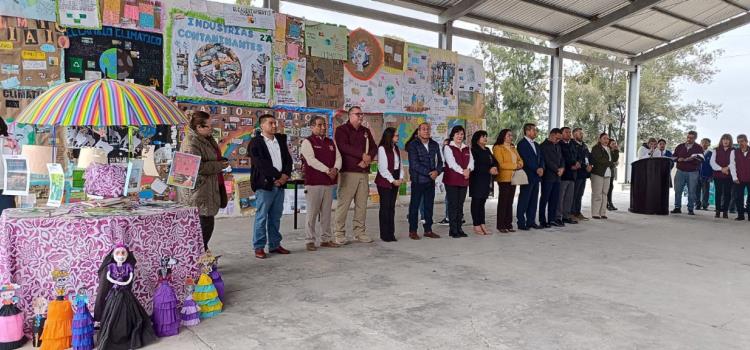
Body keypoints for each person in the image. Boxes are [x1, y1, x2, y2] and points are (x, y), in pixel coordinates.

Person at [178, 111, 228, 250]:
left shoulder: (207, 139)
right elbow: (196, 167)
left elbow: (210, 158)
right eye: (208, 126)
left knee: (206, 226)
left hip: (208, 188)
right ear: (199, 127)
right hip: (199, 191)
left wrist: (220, 161)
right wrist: (219, 165)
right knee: (204, 227)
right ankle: (199, 260)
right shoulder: (191, 143)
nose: (211, 128)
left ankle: (202, 257)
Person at [249, 114, 293, 259]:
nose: (274, 125)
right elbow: (260, 164)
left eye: (275, 123)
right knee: (261, 217)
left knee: (275, 217)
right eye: (271, 123)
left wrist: (285, 175)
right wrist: (276, 176)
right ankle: (259, 247)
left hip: (280, 184)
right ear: (262, 125)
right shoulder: (255, 142)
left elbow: (288, 159)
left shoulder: (280, 140)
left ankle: (274, 245)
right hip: (265, 184)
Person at [334, 106, 377, 244]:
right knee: (344, 204)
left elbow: (373, 147)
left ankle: (359, 232)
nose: (360, 116)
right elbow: (343, 146)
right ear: (350, 115)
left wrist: (368, 157)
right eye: (357, 114)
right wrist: (361, 155)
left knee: (361, 204)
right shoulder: (342, 130)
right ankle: (339, 233)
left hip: (363, 172)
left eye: (361, 114)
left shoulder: (365, 131)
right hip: (348, 172)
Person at [300, 116, 342, 251]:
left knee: (326, 213)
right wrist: (327, 170)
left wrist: (335, 169)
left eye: (324, 125)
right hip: (314, 183)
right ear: (312, 127)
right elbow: (311, 160)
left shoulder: (331, 142)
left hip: (329, 183)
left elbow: (339, 157)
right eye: (319, 125)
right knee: (312, 213)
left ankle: (326, 239)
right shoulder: (307, 142)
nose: (323, 127)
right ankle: (309, 240)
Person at [406, 122, 443, 240]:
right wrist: (429, 173)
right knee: (414, 206)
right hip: (418, 180)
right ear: (418, 132)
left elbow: (440, 162)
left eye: (428, 129)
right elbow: (414, 164)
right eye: (423, 129)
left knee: (428, 206)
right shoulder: (413, 145)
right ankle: (412, 231)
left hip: (430, 181)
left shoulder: (434, 144)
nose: (426, 131)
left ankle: (428, 230)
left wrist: (437, 171)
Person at [443, 126, 474, 238]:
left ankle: (459, 228)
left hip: (464, 180)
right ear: (453, 135)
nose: (460, 136)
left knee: (460, 205)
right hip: (452, 180)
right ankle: (453, 230)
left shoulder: (467, 148)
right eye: (457, 134)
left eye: (461, 134)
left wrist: (469, 170)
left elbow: (471, 162)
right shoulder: (448, 147)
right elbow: (451, 163)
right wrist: (463, 171)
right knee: (453, 205)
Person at [375, 127, 404, 242]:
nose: (398, 137)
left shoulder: (396, 148)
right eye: (396, 135)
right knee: (385, 207)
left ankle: (391, 233)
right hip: (385, 180)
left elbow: (400, 164)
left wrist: (401, 177)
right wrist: (393, 180)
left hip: (395, 178)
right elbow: (382, 168)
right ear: (390, 136)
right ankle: (385, 234)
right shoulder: (382, 149)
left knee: (391, 208)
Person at [492, 129, 523, 233]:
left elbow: (520, 159)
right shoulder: (497, 148)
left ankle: (508, 224)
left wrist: (520, 164)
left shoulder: (513, 147)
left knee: (510, 202)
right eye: (509, 135)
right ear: (503, 136)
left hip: (513, 177)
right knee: (503, 202)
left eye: (511, 135)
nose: (511, 137)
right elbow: (501, 164)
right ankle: (501, 225)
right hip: (504, 178)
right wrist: (515, 166)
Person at [516, 123, 544, 230]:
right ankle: (521, 222)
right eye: (534, 130)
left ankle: (531, 221)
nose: (536, 132)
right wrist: (536, 168)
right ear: (527, 131)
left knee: (533, 199)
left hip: (537, 176)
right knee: (524, 199)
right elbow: (526, 159)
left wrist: (541, 167)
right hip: (527, 175)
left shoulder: (536, 144)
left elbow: (541, 158)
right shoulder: (522, 144)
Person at [469, 130, 498, 235]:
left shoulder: (487, 149)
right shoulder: (473, 150)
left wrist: (494, 167)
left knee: (482, 203)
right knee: (476, 203)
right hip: (477, 180)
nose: (485, 138)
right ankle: (476, 225)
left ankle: (482, 224)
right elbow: (474, 166)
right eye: (483, 137)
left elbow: (494, 161)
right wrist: (488, 169)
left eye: (486, 136)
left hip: (486, 180)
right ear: (477, 139)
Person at [671, 131, 704, 215]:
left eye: (691, 138)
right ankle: (677, 207)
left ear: (695, 138)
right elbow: (673, 157)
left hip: (693, 172)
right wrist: (678, 159)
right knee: (678, 190)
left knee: (692, 191)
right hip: (680, 171)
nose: (689, 139)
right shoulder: (680, 146)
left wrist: (692, 159)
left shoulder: (699, 148)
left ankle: (690, 209)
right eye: (688, 137)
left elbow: (701, 160)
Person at [539, 128, 564, 228]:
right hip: (548, 176)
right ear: (552, 135)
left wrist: (562, 168)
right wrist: (557, 169)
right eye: (557, 138)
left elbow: (562, 158)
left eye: (559, 139)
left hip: (558, 177)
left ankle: (551, 219)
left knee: (554, 199)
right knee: (545, 199)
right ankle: (542, 220)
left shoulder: (558, 145)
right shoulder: (543, 146)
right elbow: (547, 161)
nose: (558, 141)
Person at [590, 133, 616, 219]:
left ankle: (603, 213)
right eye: (604, 138)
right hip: (598, 173)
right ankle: (595, 213)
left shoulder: (609, 148)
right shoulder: (596, 148)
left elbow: (615, 159)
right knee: (597, 193)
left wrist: (615, 150)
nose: (606, 140)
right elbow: (600, 159)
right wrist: (612, 164)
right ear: (600, 139)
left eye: (607, 139)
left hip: (608, 173)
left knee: (605, 193)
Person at [557, 127, 579, 224]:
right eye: (566, 132)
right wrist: (571, 166)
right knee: (560, 197)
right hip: (564, 175)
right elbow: (561, 159)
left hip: (573, 175)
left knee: (569, 198)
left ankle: (566, 216)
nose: (569, 134)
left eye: (570, 132)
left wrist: (578, 163)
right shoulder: (558, 144)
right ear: (561, 134)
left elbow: (577, 155)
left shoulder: (572, 144)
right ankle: (558, 217)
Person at [710, 134, 734, 219]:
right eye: (724, 139)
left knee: (727, 194)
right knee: (718, 193)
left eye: (727, 139)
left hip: (728, 175)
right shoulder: (716, 150)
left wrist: (727, 168)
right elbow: (712, 162)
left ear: (730, 141)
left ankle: (725, 211)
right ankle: (717, 211)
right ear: (721, 140)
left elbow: (734, 162)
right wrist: (721, 169)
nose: (725, 141)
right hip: (718, 175)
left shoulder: (733, 150)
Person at [571, 128, 592, 221]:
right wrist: (584, 165)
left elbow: (588, 157)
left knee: (580, 194)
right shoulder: (572, 144)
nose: (582, 135)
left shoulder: (584, 145)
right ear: (574, 134)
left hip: (584, 174)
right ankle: (571, 213)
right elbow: (575, 158)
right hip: (577, 173)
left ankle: (578, 212)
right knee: (574, 194)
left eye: (582, 133)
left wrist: (590, 165)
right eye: (580, 133)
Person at [0, 118, 18, 214]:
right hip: (7, 185)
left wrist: (14, 148)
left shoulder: (8, 141)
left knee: (7, 216)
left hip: (5, 186)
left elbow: (17, 158)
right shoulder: (9, 140)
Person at [730, 134, 750, 221]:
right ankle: (740, 215)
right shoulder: (734, 152)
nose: (740, 143)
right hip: (739, 179)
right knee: (738, 197)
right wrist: (734, 177)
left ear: (746, 141)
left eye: (742, 141)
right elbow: (732, 165)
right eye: (738, 142)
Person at [437, 138, 451, 225]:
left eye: (446, 145)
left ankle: (448, 218)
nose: (444, 147)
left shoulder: (447, 155)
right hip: (447, 178)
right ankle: (458, 217)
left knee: (449, 199)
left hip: (450, 179)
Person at [698, 138, 713, 211]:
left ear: (709, 144)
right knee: (696, 190)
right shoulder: (697, 153)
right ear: (700, 143)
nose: (704, 144)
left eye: (706, 142)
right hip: (696, 174)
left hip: (706, 175)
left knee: (706, 191)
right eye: (703, 142)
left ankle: (704, 205)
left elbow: (712, 166)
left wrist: (711, 176)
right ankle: (697, 204)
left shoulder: (711, 153)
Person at [606, 139, 620, 211]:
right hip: (607, 171)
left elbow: (615, 160)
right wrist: (614, 162)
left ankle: (610, 203)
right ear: (609, 144)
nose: (614, 145)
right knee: (607, 188)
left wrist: (617, 151)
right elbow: (613, 161)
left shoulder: (614, 151)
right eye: (612, 144)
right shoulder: (607, 150)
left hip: (612, 171)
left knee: (611, 187)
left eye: (615, 144)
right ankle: (607, 204)